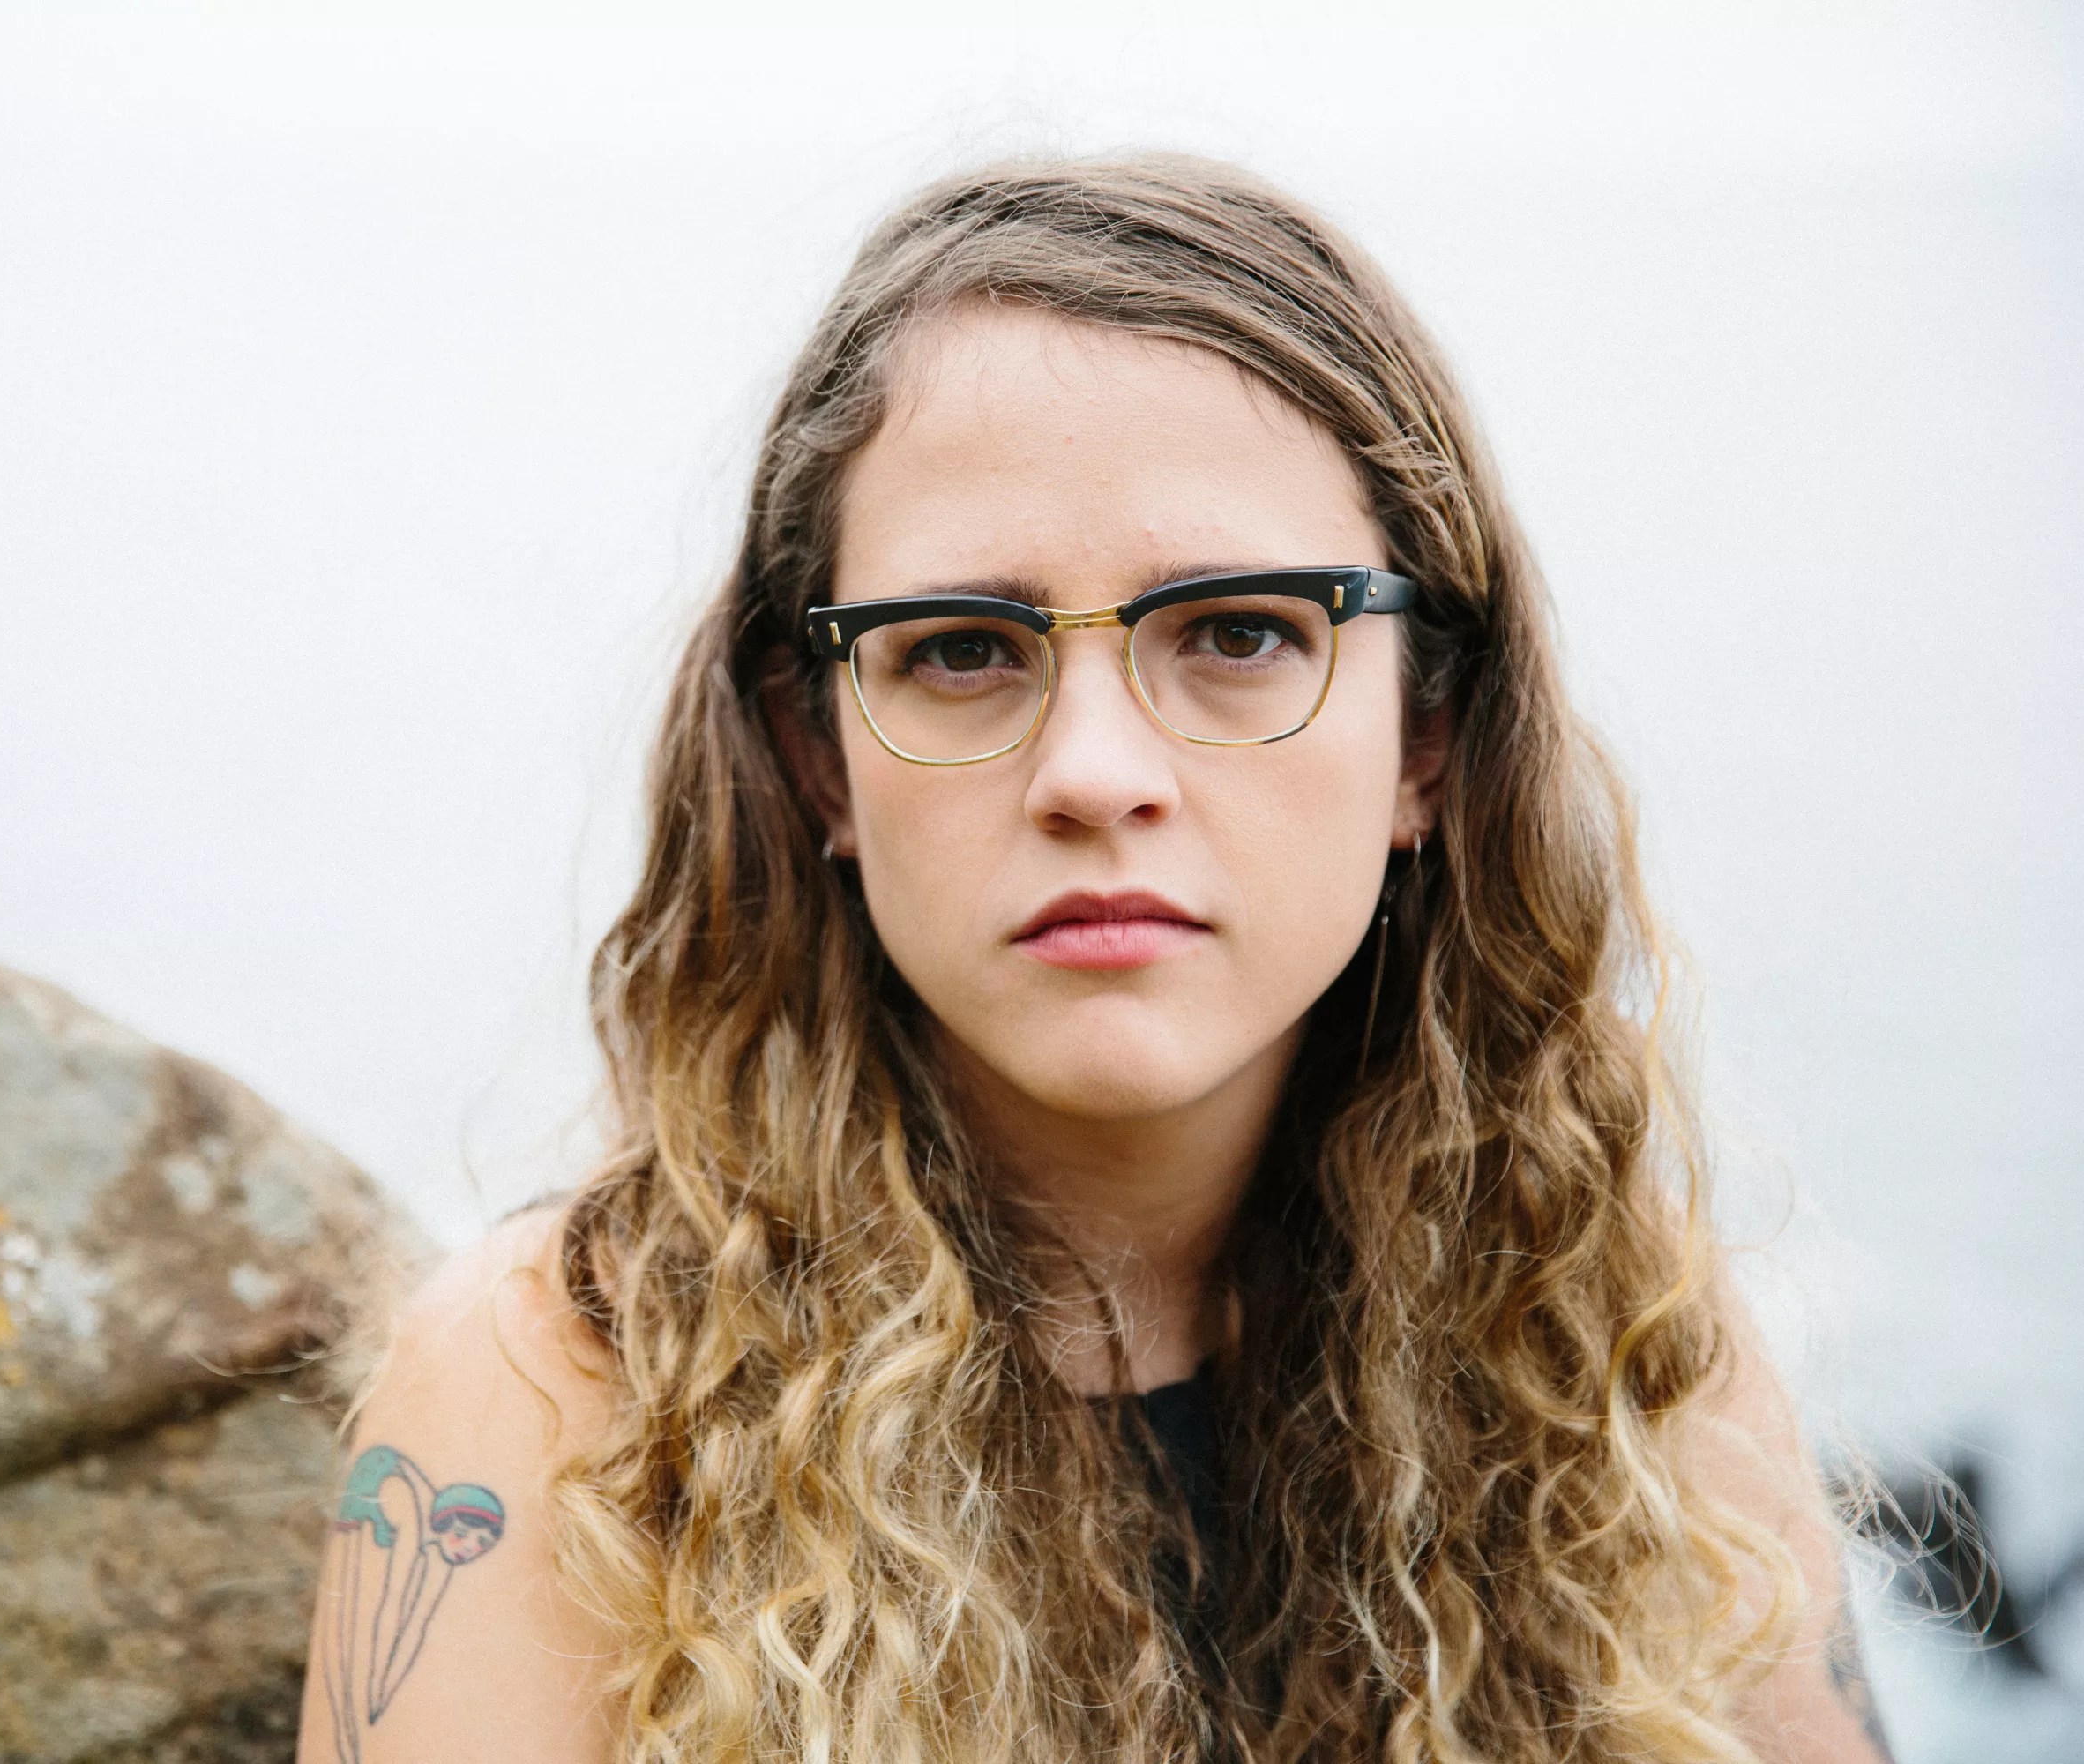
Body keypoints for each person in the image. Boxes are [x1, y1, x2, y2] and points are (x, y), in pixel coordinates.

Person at [297, 154, 1894, 1764]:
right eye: (961, 651)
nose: (1093, 772)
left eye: (1241, 632)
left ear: (1427, 734)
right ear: (819, 755)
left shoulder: (1601, 1332)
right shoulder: (551, 1391)